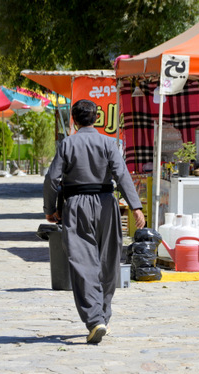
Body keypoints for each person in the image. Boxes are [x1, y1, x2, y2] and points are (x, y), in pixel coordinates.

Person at [43, 99, 145, 344]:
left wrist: (50, 209)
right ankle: (103, 316)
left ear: (74, 120)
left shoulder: (67, 144)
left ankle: (94, 319)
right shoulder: (109, 143)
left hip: (76, 205)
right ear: (96, 119)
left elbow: (51, 179)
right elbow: (122, 174)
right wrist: (136, 206)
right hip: (107, 205)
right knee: (108, 261)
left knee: (82, 263)